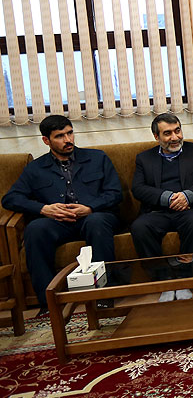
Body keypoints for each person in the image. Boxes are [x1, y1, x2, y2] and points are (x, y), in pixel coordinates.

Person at [2, 115, 121, 314]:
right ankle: (48, 304)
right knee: (35, 229)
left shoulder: (97, 158)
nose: (68, 140)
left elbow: (115, 193)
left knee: (97, 223)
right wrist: (43, 209)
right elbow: (10, 198)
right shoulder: (35, 168)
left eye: (70, 133)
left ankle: (104, 296)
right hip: (58, 222)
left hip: (93, 217)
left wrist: (89, 207)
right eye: (60, 136)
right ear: (46, 140)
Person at [130, 112, 193, 302]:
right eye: (168, 133)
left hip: (190, 209)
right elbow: (138, 188)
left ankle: (185, 279)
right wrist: (167, 198)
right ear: (157, 137)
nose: (175, 137)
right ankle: (164, 281)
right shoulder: (144, 158)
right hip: (158, 211)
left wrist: (188, 195)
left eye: (177, 131)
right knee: (139, 227)